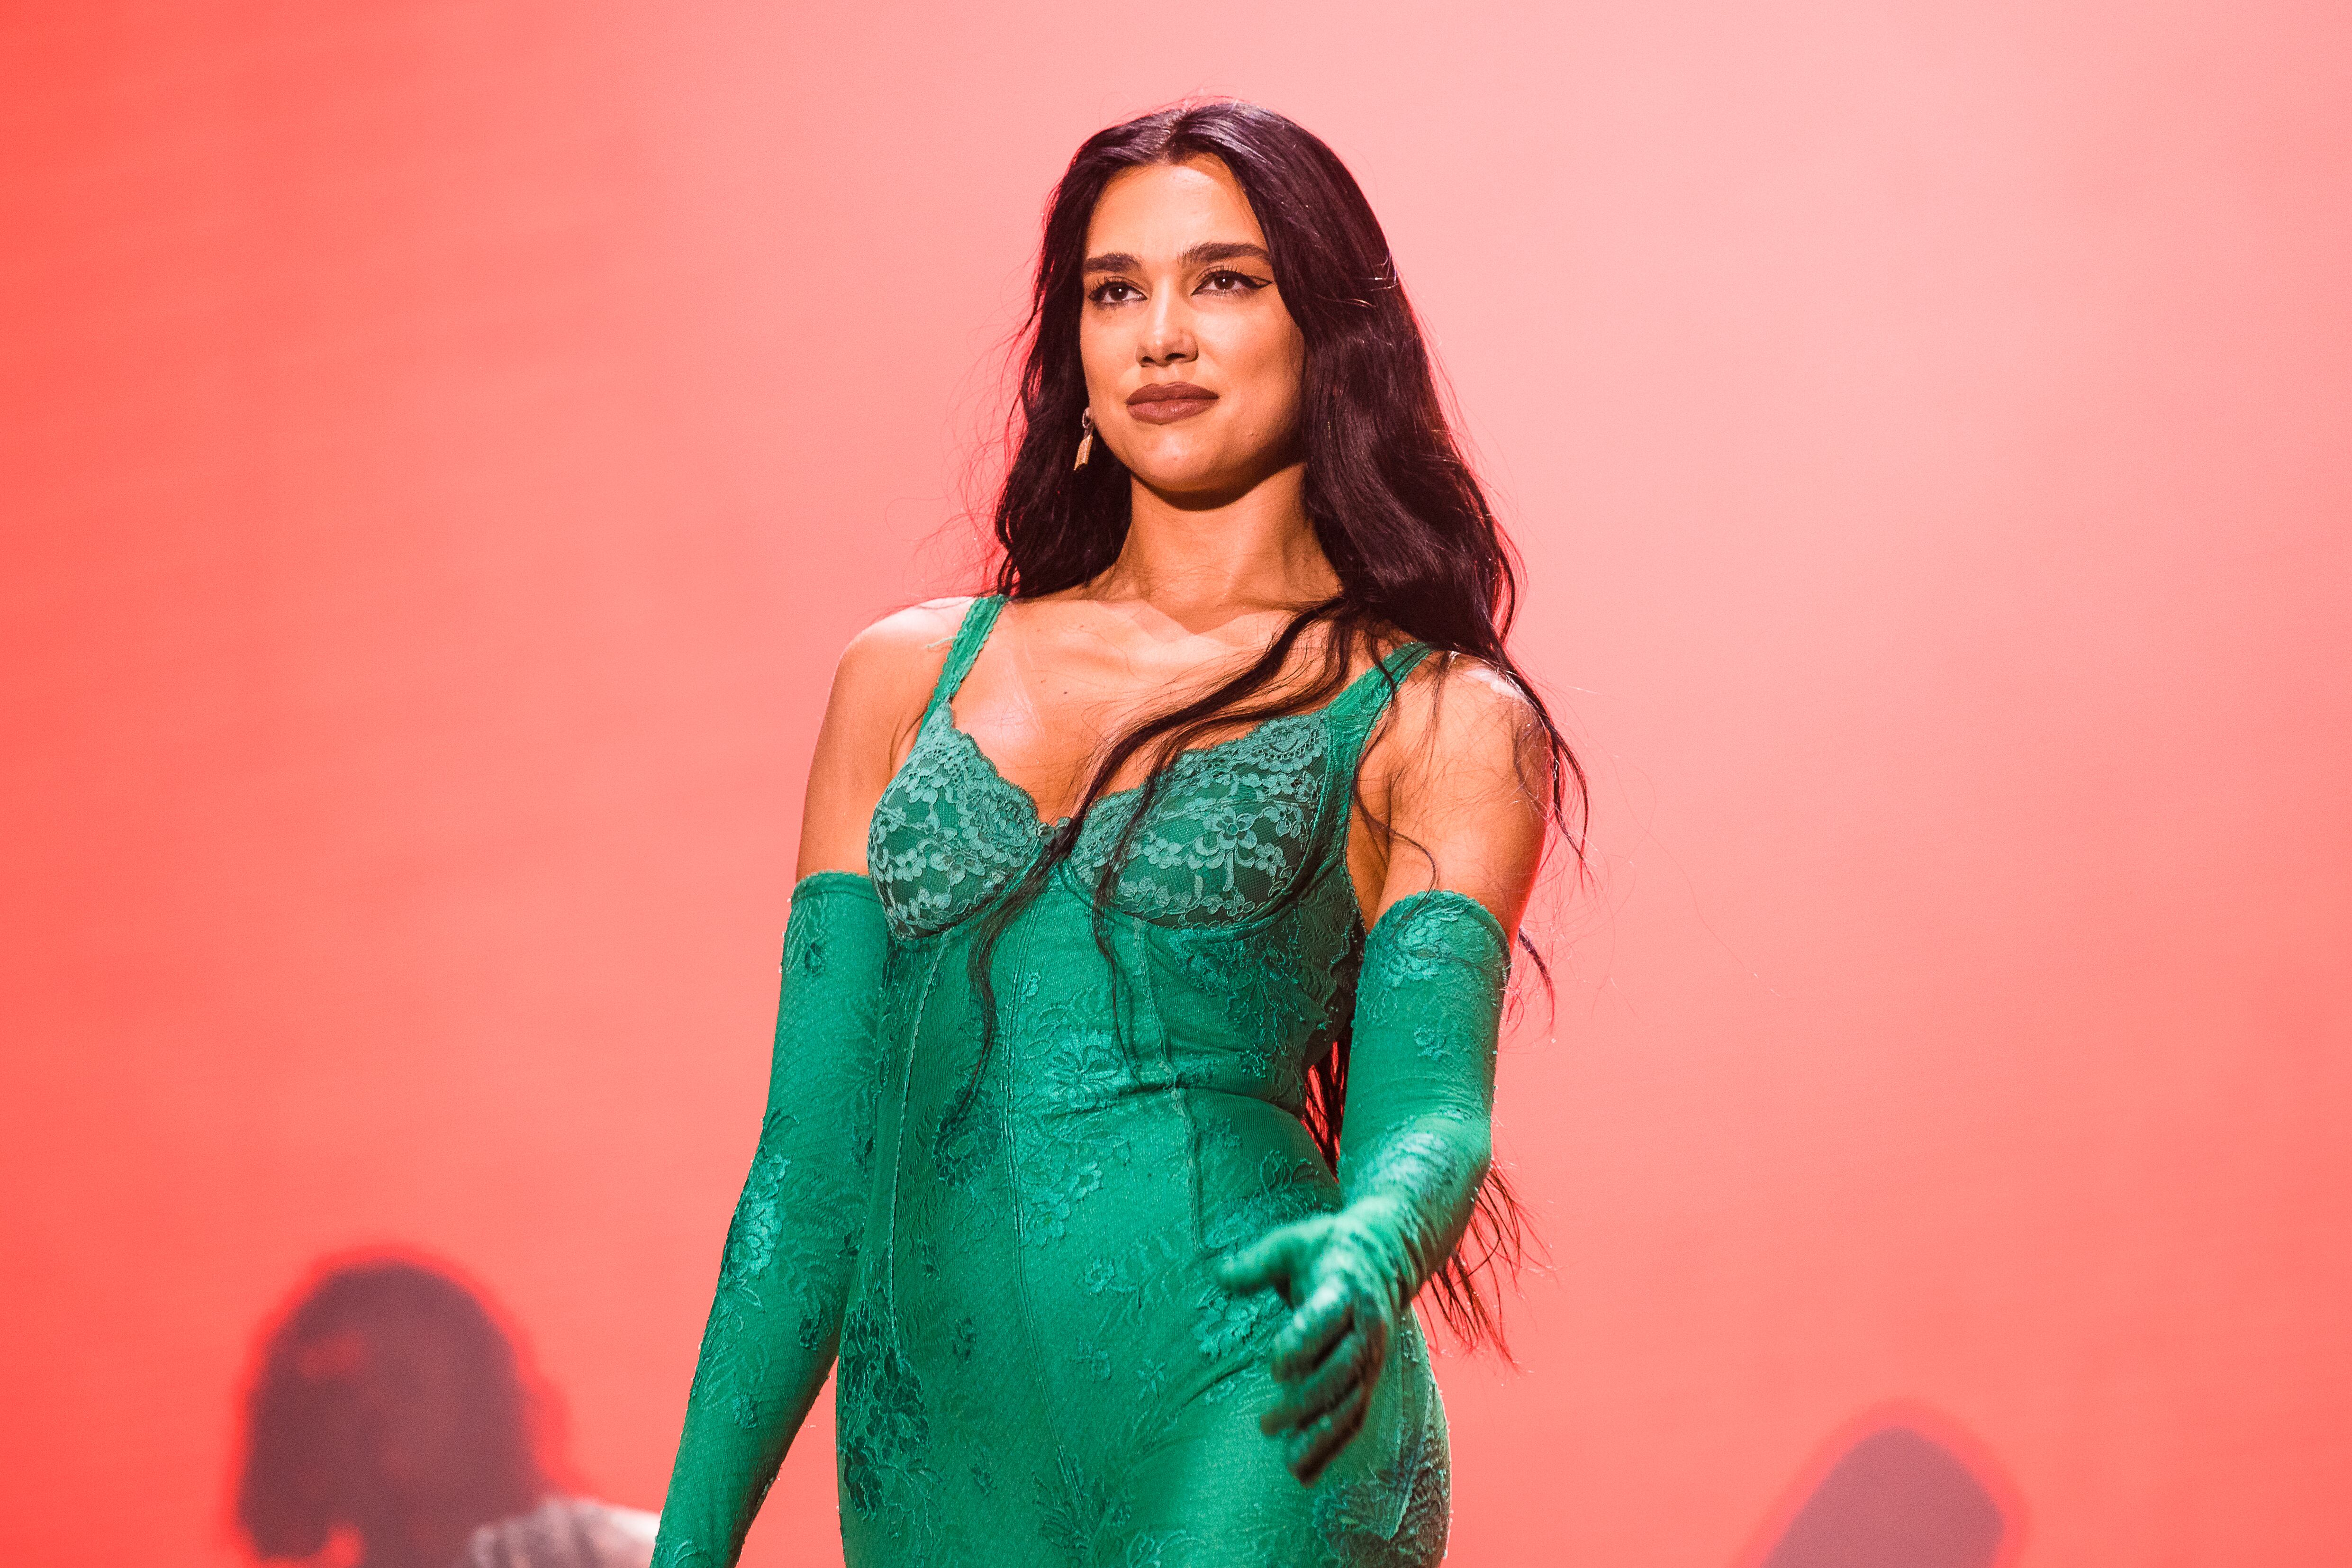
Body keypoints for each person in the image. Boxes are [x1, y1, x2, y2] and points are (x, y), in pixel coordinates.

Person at [649, 99, 1584, 1567]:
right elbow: (803, 1178)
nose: (1160, 335)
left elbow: (1432, 1110)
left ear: (1331, 334)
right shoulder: (902, 679)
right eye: (1112, 290)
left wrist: (1372, 1241)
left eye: (1223, 280)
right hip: (931, 1457)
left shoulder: (1437, 715)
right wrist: (684, 1545)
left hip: (1261, 1401)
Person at [237, 1256, 657, 1568]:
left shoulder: (622, 1554)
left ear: (480, 1405)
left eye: (403, 1380)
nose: (374, 1414)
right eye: (339, 1395)